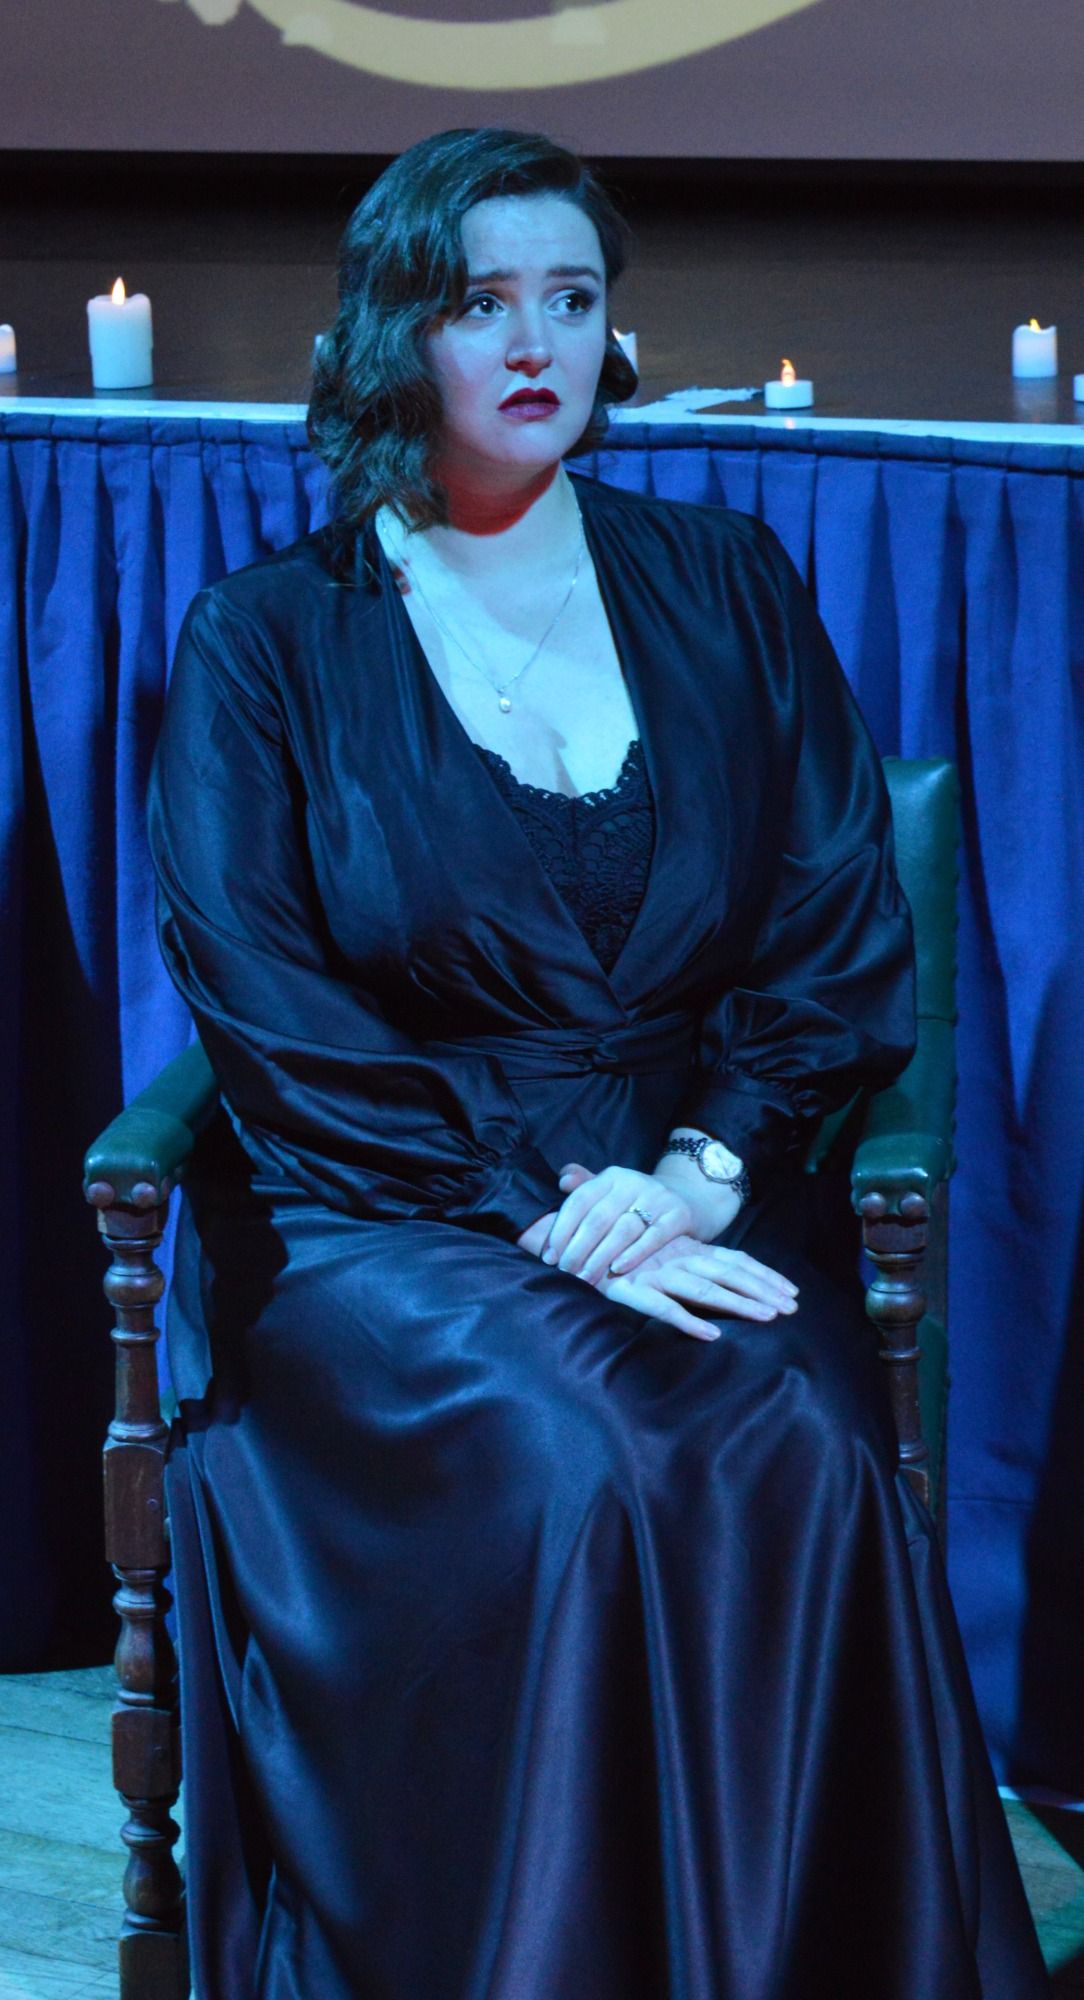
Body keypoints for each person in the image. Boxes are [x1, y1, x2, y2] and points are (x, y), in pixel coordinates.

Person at [149, 127, 1047, 1999]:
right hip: (382, 1202)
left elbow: (831, 924)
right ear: (395, 332)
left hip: (688, 1169)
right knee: (584, 1458)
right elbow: (267, 1005)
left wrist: (702, 1173)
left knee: (798, 1440)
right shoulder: (265, 640)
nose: (536, 343)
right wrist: (540, 1211)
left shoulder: (724, 580)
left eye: (571, 299)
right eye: (484, 302)